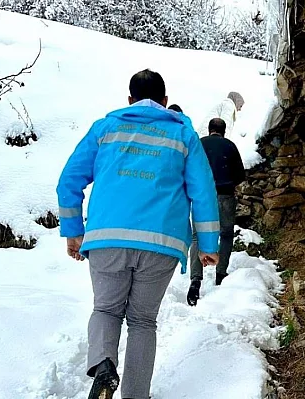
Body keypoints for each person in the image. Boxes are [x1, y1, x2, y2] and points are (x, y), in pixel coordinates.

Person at [56, 69, 221, 399]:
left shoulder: (105, 128)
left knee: (106, 310)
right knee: (143, 322)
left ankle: (103, 365)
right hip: (161, 243)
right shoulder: (183, 135)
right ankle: (135, 395)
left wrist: (74, 232)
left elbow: (68, 181)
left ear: (130, 100)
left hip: (107, 238)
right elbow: (203, 191)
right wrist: (208, 244)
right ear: (164, 101)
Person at [187, 117, 246, 306]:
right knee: (226, 234)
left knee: (197, 237)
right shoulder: (229, 146)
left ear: (210, 129)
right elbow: (240, 175)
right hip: (225, 196)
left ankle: (195, 280)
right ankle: (221, 274)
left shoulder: (199, 145)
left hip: (202, 198)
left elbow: (188, 170)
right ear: (223, 130)